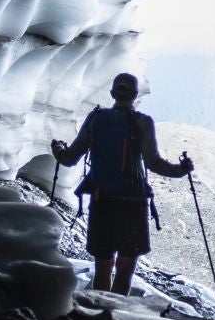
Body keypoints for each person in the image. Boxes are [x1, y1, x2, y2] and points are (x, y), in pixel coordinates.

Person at [50, 72, 193, 295]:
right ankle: (116, 318)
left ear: (112, 93)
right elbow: (154, 163)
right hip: (133, 204)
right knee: (125, 269)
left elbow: (69, 158)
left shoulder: (96, 119)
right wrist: (181, 170)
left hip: (102, 201)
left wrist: (58, 149)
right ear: (135, 95)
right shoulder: (142, 123)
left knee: (103, 267)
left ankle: (99, 317)